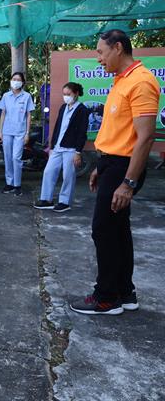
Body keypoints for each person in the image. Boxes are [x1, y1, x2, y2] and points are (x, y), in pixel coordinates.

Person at [70, 29, 159, 316]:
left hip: (124, 167)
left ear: (118, 48)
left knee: (104, 230)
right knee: (118, 231)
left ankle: (106, 297)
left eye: (101, 52)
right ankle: (125, 291)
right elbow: (116, 132)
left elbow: (145, 137)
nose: (98, 58)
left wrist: (128, 182)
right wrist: (99, 165)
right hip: (111, 164)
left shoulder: (142, 81)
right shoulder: (120, 81)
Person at [34, 82, 89, 213]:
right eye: (64, 94)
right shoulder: (63, 107)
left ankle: (65, 202)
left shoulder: (82, 110)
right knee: (49, 171)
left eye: (68, 94)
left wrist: (78, 152)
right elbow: (58, 127)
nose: (66, 97)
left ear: (76, 94)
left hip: (71, 148)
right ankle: (46, 199)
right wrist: (52, 146)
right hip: (58, 147)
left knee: (68, 175)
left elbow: (82, 132)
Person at [0, 71, 35, 196]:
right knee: (8, 158)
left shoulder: (26, 96)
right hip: (7, 131)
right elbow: (3, 114)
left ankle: (17, 185)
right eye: (14, 79)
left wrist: (27, 133)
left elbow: (29, 115)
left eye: (18, 79)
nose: (15, 81)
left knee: (16, 158)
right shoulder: (5, 96)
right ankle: (9, 183)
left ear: (22, 82)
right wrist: (0, 132)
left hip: (20, 132)